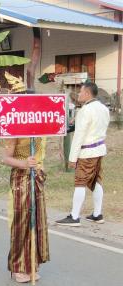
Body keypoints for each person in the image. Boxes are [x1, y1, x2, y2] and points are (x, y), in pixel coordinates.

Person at [56, 82, 110, 226]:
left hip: (87, 151)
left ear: (87, 93)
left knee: (80, 182)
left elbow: (79, 136)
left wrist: (72, 158)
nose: (78, 94)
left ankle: (74, 216)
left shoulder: (85, 111)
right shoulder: (104, 108)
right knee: (96, 180)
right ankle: (97, 214)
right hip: (99, 149)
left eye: (80, 92)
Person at [2, 137, 49, 283]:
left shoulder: (42, 125)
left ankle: (32, 265)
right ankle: (18, 267)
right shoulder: (15, 128)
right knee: (22, 222)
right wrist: (23, 163)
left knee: (38, 221)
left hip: (37, 177)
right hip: (21, 179)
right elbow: (5, 158)